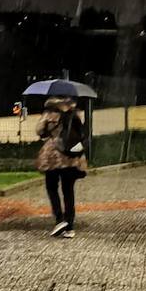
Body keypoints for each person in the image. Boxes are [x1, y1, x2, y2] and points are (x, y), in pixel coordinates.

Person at [36, 96, 88, 237]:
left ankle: (59, 219)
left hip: (53, 156)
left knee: (51, 187)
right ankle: (70, 227)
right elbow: (80, 133)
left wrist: (49, 129)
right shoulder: (73, 114)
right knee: (68, 190)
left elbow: (39, 131)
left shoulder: (49, 113)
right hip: (70, 156)